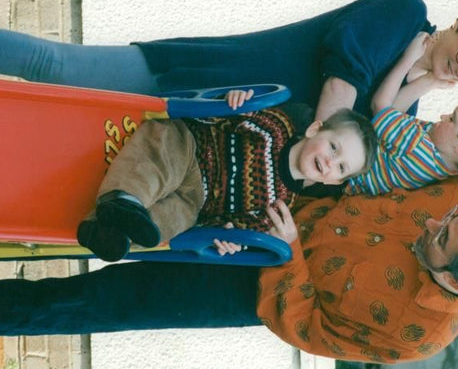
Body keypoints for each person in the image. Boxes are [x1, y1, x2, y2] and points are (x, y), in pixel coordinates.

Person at [0, 174, 458, 364]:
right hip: (267, 190)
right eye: (442, 220)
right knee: (93, 205)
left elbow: (311, 329)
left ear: (454, 280)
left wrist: (288, 252)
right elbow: (387, 160)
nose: (431, 223)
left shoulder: (418, 334)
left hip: (250, 284)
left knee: (97, 300)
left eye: (439, 240)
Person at [0, 0, 458, 121]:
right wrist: (347, 120)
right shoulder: (402, 14)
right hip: (199, 74)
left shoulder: (417, 83)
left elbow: (380, 121)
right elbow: (340, 81)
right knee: (60, 69)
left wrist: (419, 86)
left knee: (58, 131)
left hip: (210, 131)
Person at [77, 89, 378, 262]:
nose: (329, 162)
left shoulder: (280, 206)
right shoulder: (275, 128)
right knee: (158, 155)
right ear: (315, 129)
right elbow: (216, 115)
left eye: (340, 167)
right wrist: (232, 100)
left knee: (171, 223)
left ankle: (109, 235)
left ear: (334, 182)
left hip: (196, 202)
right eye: (334, 147)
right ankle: (124, 199)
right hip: (193, 147)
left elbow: (241, 225)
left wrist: (231, 238)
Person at [344, 32, 458, 196]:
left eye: (452, 119)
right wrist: (430, 80)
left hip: (340, 173)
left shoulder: (418, 148)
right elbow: (393, 114)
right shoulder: (443, 164)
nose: (443, 116)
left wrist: (409, 58)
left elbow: (380, 105)